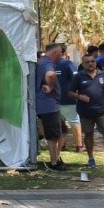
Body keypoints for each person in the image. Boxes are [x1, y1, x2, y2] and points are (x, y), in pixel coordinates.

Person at [67, 55, 104, 170]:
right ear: (83, 64)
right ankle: (91, 158)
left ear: (95, 63)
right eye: (87, 62)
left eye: (92, 61)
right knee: (88, 135)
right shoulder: (78, 76)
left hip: (102, 111)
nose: (90, 64)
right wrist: (79, 96)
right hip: (85, 112)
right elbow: (70, 92)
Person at [36, 42, 66, 170]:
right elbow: (51, 75)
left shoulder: (43, 62)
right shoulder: (47, 64)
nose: (62, 55)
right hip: (48, 104)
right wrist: (51, 87)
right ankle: (54, 162)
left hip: (50, 104)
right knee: (53, 135)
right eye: (61, 53)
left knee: (63, 130)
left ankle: (57, 157)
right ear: (54, 52)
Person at [56, 44, 84, 151]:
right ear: (65, 53)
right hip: (68, 99)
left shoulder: (50, 64)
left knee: (60, 124)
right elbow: (76, 78)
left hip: (55, 100)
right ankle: (79, 145)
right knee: (74, 121)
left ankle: (62, 144)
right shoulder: (68, 63)